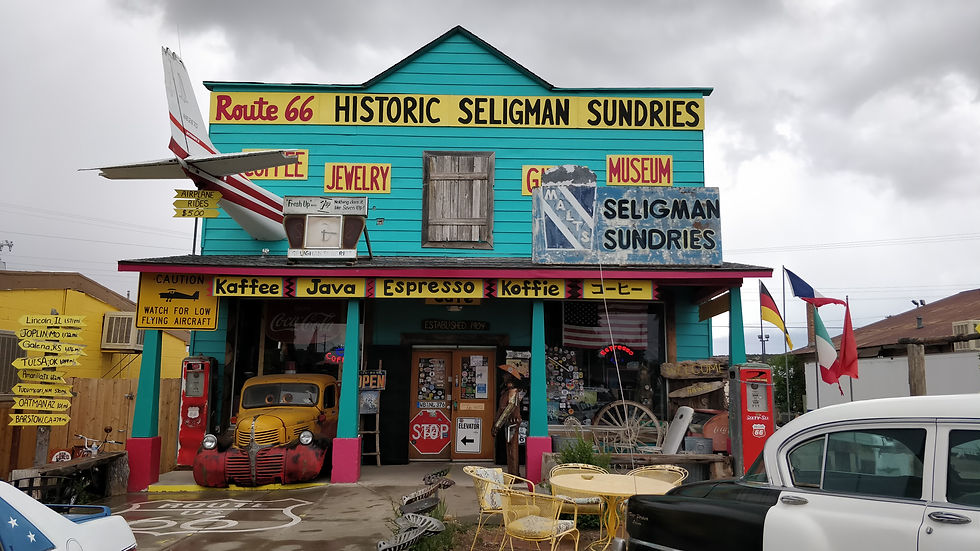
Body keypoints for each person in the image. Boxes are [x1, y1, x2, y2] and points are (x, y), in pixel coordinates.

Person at [491, 366, 524, 476]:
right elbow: (501, 409)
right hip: (508, 422)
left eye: (506, 375)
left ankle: (514, 474)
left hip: (512, 422)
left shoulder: (513, 391)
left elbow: (509, 408)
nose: (503, 377)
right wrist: (496, 423)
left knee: (512, 449)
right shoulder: (505, 392)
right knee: (509, 448)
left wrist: (498, 424)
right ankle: (512, 472)